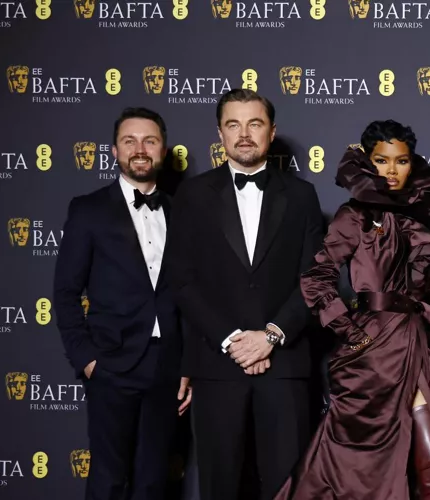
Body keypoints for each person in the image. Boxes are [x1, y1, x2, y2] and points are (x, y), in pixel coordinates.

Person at [275, 121, 430, 500]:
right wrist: (350, 329)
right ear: (367, 163)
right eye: (382, 160)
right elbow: (317, 277)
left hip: (417, 344)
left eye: (402, 160)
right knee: (360, 467)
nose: (392, 170)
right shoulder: (353, 215)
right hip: (371, 355)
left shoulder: (420, 214)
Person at [169, 89, 325, 500]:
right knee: (221, 485)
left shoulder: (302, 196)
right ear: (219, 134)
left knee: (287, 486)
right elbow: (181, 280)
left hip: (285, 366)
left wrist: (270, 335)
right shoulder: (192, 195)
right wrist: (232, 340)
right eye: (233, 125)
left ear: (271, 132)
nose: (244, 134)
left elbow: (315, 279)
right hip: (218, 366)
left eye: (254, 124)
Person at [54, 107, 189, 500]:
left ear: (163, 149)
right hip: (111, 363)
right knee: (108, 479)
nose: (140, 149)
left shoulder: (183, 212)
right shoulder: (88, 209)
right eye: (130, 141)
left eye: (150, 140)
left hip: (167, 366)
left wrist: (188, 366)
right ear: (114, 150)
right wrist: (87, 358)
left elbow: (192, 294)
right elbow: (65, 292)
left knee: (153, 480)